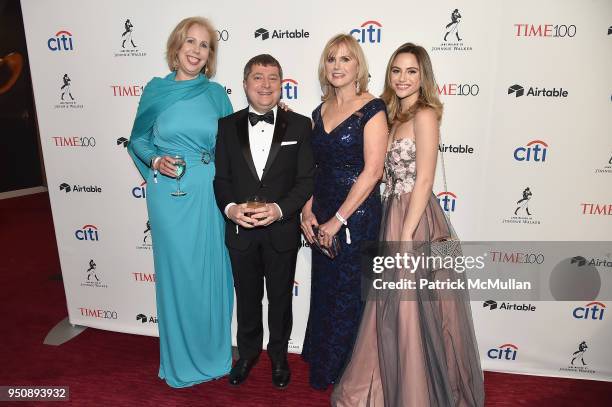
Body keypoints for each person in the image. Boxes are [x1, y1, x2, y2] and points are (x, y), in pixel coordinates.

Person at [332, 42, 485, 406]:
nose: (402, 78)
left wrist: (404, 236)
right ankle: (385, 388)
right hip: (391, 215)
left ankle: (417, 395)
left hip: (415, 221)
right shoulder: (391, 115)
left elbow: (425, 180)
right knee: (390, 309)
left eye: (411, 71)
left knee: (411, 311)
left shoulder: (425, 115)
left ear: (423, 77)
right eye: (397, 70)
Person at [127, 16, 234, 388]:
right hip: (167, 196)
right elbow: (138, 139)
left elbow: (233, 145)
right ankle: (180, 360)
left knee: (210, 273)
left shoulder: (217, 95)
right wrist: (155, 159)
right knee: (178, 275)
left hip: (207, 191)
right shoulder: (156, 91)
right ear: (177, 47)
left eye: (204, 45)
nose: (196, 50)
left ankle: (214, 355)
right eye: (190, 42)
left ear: (210, 55)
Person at [213, 54, 314, 389]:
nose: (266, 84)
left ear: (281, 84)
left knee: (281, 299)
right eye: (258, 77)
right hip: (240, 232)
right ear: (245, 83)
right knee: (247, 297)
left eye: (273, 78)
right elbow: (221, 180)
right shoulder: (226, 126)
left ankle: (279, 358)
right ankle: (247, 355)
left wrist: (280, 210)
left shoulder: (299, 126)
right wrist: (229, 209)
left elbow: (305, 181)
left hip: (281, 231)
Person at [300, 34, 388, 390]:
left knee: (351, 295)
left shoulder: (372, 107)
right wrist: (307, 212)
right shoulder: (317, 112)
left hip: (357, 217)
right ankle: (324, 363)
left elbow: (373, 171)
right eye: (331, 59)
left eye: (345, 59)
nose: (337, 66)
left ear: (358, 67)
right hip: (321, 213)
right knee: (324, 290)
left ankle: (348, 373)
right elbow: (312, 168)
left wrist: (338, 220)